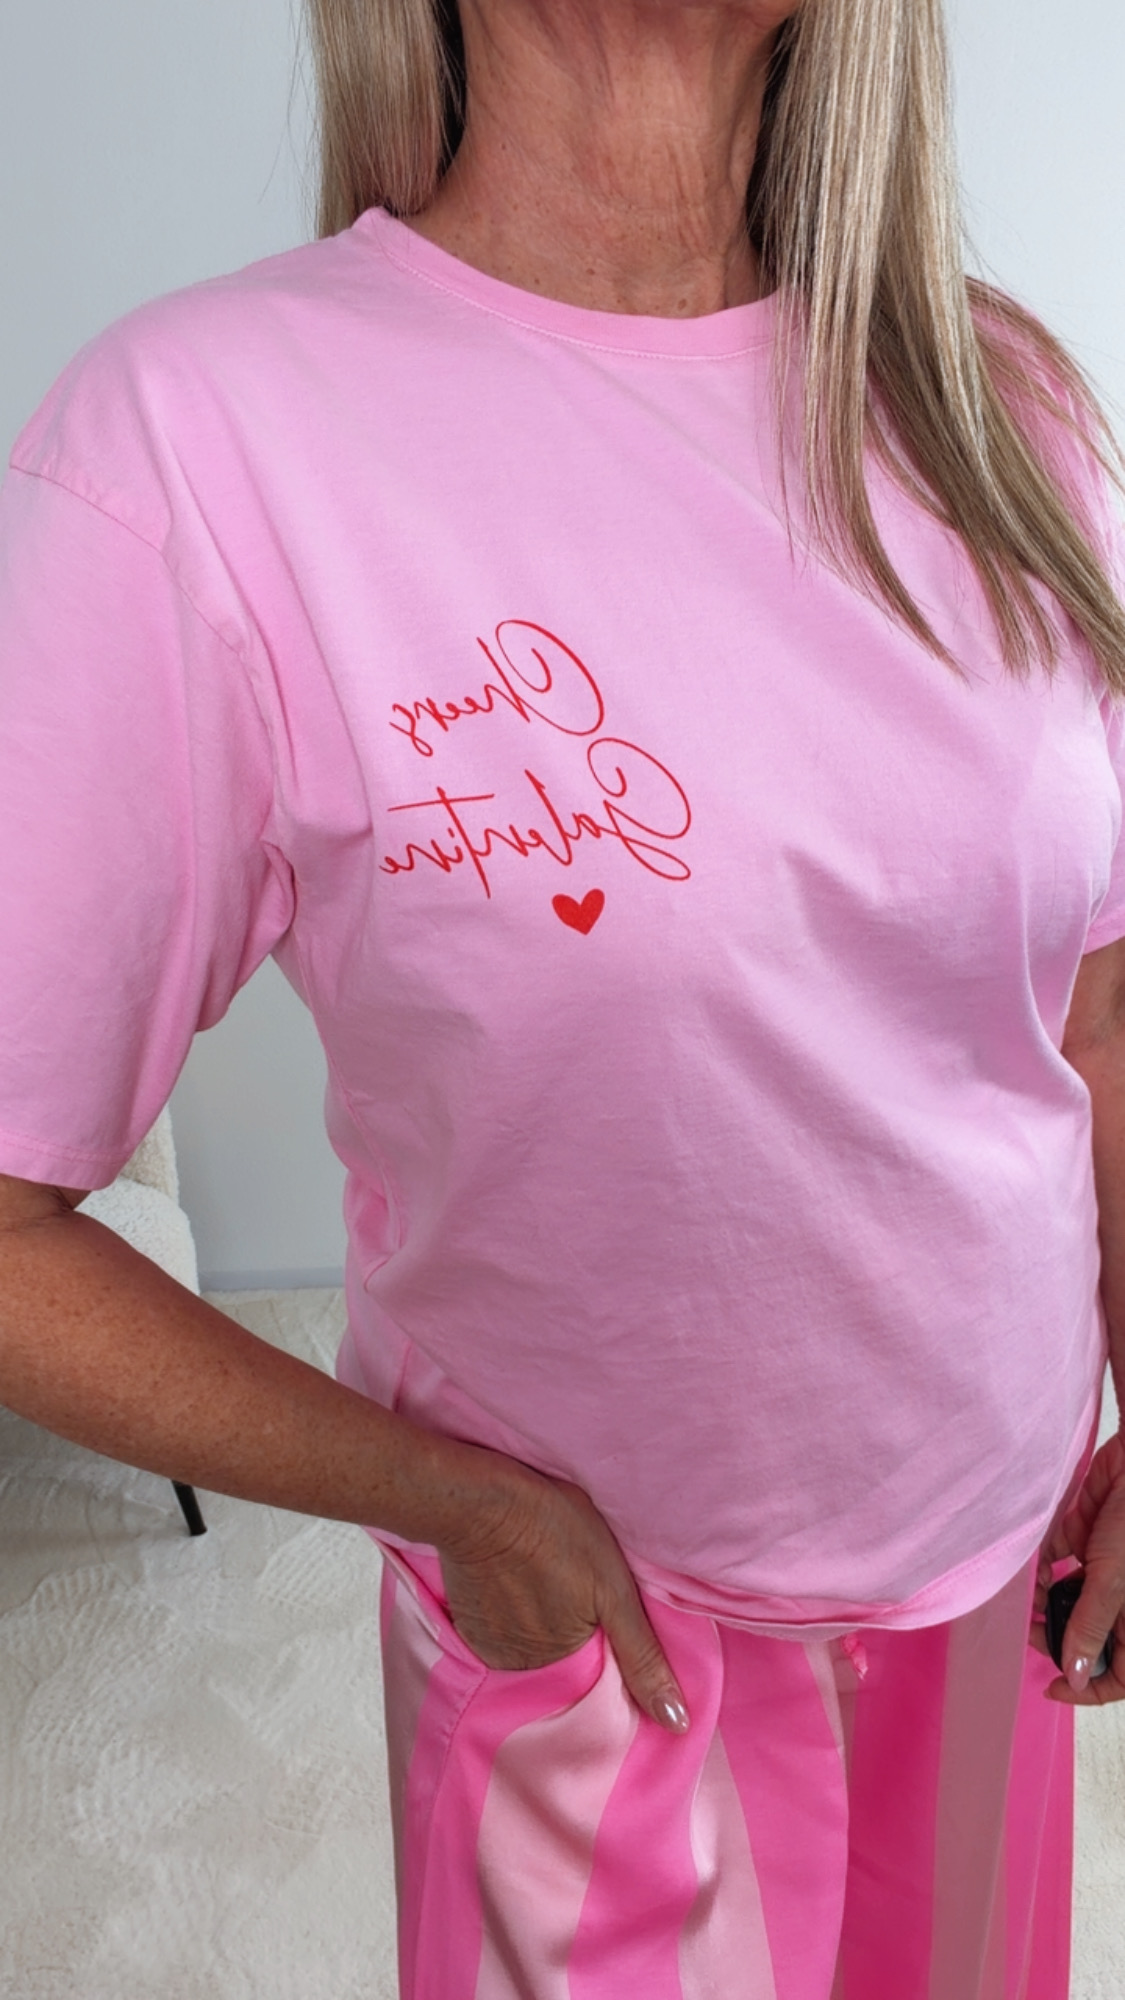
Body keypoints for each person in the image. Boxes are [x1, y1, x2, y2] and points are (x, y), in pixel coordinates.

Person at [2, 0, 1125, 1991]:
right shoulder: (203, 437)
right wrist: (450, 1505)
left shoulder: (997, 400)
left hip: (984, 1566)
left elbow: (1095, 1002)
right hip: (597, 1627)